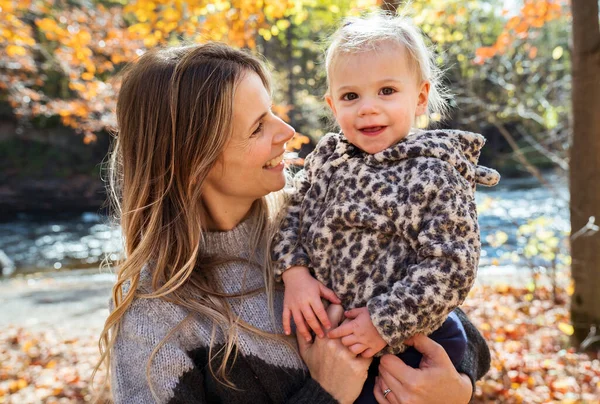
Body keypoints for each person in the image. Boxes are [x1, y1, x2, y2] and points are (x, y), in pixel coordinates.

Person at [93, 42, 490, 404]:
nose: (288, 132)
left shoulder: (316, 214)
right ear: (193, 161)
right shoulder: (156, 324)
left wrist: (456, 388)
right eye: (257, 126)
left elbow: (447, 316)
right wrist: (326, 391)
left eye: (273, 112)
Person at [271, 12, 499, 403]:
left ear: (421, 96)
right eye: (350, 96)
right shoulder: (327, 161)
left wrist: (383, 321)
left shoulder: (435, 171)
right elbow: (291, 214)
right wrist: (294, 272)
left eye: (387, 91)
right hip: (336, 336)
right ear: (332, 104)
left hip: (409, 334)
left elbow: (452, 264)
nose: (368, 108)